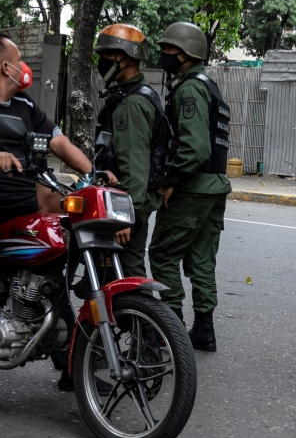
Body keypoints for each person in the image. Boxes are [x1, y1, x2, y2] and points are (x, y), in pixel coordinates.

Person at [0, 33, 114, 354]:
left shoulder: (24, 104)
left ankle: (62, 328)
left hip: (22, 202)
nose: (24, 66)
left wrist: (93, 174)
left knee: (69, 222)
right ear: (6, 68)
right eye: (19, 60)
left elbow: (59, 143)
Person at [147, 22, 232, 352]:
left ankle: (172, 328)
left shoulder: (190, 89)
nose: (165, 54)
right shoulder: (209, 86)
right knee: (201, 260)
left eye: (171, 49)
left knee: (163, 254)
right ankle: (204, 330)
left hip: (192, 188)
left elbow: (195, 149)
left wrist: (171, 179)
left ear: (188, 54)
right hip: (214, 188)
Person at [92, 24, 163, 279]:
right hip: (123, 199)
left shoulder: (132, 102)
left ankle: (141, 308)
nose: (102, 61)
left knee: (128, 272)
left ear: (124, 57)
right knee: (111, 272)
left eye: (107, 55)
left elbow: (135, 163)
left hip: (126, 204)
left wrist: (124, 216)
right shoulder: (127, 95)